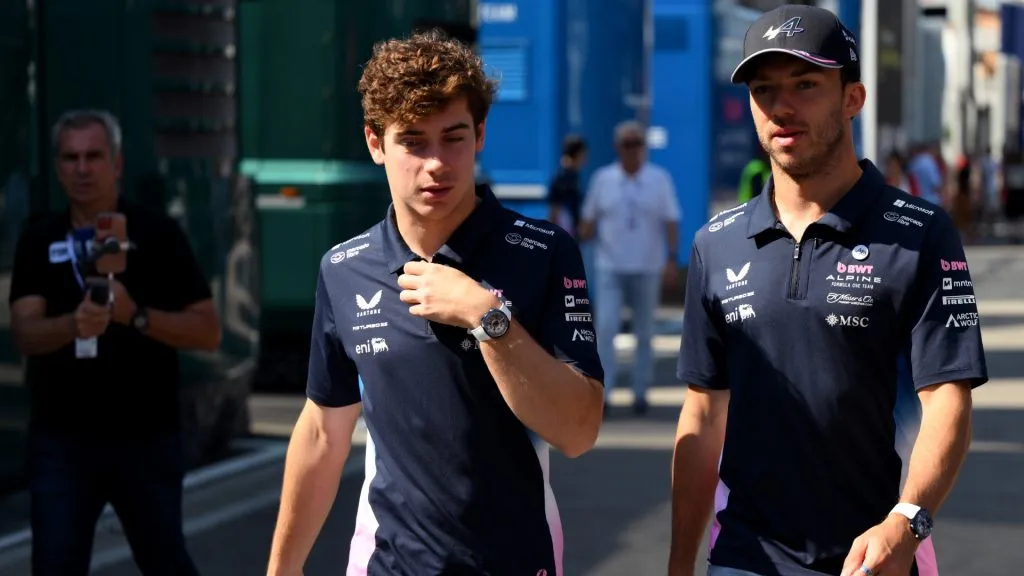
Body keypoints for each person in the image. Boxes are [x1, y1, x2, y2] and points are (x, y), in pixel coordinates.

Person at [266, 29, 604, 576]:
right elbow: (323, 432)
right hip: (387, 563)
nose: (436, 164)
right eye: (413, 141)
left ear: (481, 135)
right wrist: (282, 569)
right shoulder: (345, 269)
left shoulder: (544, 252)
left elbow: (579, 431)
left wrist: (487, 318)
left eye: (453, 138)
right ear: (376, 144)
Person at [668, 6, 987, 576]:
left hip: (872, 558)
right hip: (745, 557)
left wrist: (907, 524)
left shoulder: (920, 233)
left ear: (852, 99)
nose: (782, 107)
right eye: (764, 90)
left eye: (806, 85)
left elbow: (948, 402)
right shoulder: (715, 244)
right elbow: (703, 414)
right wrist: (678, 564)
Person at [8, 109, 220, 575]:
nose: (82, 168)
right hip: (62, 441)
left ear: (117, 164)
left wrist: (137, 317)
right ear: (58, 166)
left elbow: (207, 329)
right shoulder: (39, 237)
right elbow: (24, 333)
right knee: (55, 565)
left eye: (94, 156)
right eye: (71, 158)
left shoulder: (157, 233)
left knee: (165, 561)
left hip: (145, 436)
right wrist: (73, 325)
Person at [578, 120, 681, 415]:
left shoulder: (659, 179)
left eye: (638, 144)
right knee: (607, 327)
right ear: (618, 148)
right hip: (610, 265)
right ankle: (605, 393)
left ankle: (641, 392)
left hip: (647, 265)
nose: (633, 150)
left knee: (644, 331)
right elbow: (588, 220)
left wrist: (671, 258)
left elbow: (671, 219)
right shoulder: (603, 179)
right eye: (628, 144)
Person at [546, 134, 588, 237]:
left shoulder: (573, 175)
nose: (586, 158)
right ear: (578, 154)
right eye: (584, 154)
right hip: (566, 233)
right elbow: (555, 209)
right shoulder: (563, 176)